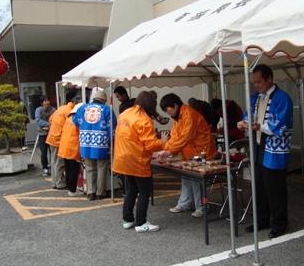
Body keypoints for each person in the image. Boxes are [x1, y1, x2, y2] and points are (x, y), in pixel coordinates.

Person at [237, 64, 293, 239]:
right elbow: (248, 116)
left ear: (270, 79)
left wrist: (258, 126)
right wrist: (243, 123)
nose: (256, 85)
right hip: (258, 144)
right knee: (259, 185)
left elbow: (281, 125)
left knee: (275, 188)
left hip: (274, 148)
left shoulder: (283, 98)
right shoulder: (256, 97)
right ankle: (262, 220)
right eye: (254, 82)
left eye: (259, 82)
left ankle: (279, 223)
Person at [114, 91, 167, 232]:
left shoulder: (125, 113)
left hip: (122, 157)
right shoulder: (144, 120)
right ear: (151, 104)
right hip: (137, 160)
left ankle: (127, 220)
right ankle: (141, 223)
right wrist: (163, 142)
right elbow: (150, 145)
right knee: (145, 191)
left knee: (131, 190)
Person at [158, 94, 216, 218]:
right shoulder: (177, 116)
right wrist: (166, 149)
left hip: (203, 151)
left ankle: (202, 207)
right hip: (190, 152)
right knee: (186, 177)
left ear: (174, 105)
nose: (168, 114)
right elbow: (175, 136)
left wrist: (168, 151)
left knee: (196, 180)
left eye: (168, 110)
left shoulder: (189, 114)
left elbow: (186, 136)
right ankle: (186, 203)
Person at [73, 88, 116, 200]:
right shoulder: (107, 109)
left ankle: (90, 193)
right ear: (103, 99)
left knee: (90, 168)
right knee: (102, 167)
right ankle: (100, 193)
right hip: (101, 143)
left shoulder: (82, 108)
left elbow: (75, 121)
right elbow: (112, 126)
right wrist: (112, 142)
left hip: (86, 143)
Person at [46, 89, 78, 189]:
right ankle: (59, 183)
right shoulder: (69, 110)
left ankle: (55, 182)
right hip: (58, 139)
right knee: (59, 163)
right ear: (73, 102)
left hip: (51, 137)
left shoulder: (61, 108)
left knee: (53, 161)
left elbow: (50, 119)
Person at [58, 98, 83, 197]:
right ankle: (72, 190)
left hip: (64, 147)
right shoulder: (78, 120)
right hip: (72, 148)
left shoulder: (69, 118)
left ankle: (70, 188)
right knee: (73, 169)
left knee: (68, 169)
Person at [35, 96, 56, 176]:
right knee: (43, 152)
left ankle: (53, 166)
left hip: (51, 133)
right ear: (41, 103)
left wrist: (50, 126)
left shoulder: (53, 109)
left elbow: (56, 118)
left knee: (52, 151)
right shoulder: (38, 110)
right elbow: (38, 120)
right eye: (45, 101)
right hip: (42, 134)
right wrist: (48, 124)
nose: (47, 102)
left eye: (47, 100)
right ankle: (45, 167)